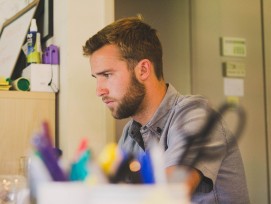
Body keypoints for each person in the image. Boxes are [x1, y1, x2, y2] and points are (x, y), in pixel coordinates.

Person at [83, 16, 250, 203]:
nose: (99, 90)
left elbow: (169, 195)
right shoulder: (130, 135)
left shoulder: (196, 115)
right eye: (96, 78)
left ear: (143, 70)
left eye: (107, 75)